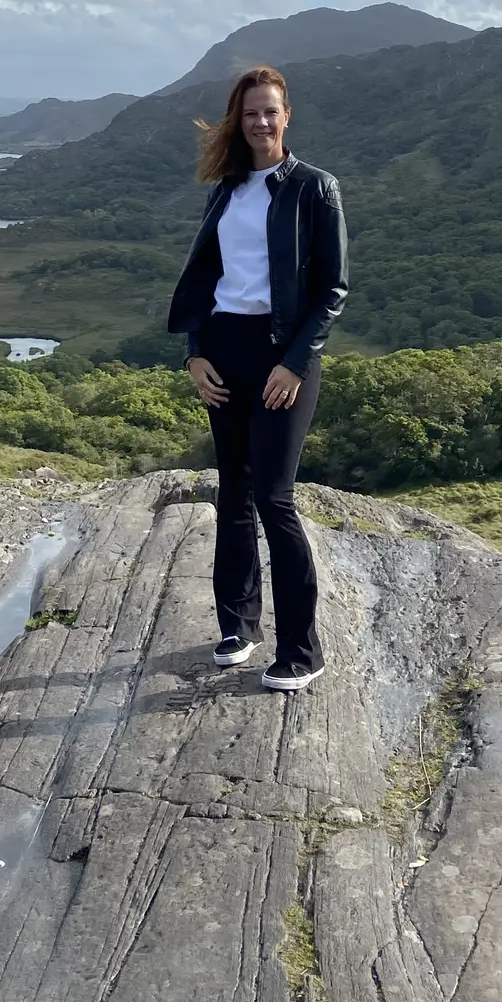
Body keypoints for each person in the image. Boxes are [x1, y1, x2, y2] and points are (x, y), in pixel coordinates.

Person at [165, 65, 348, 691]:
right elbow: (205, 277)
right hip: (224, 347)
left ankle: (302, 648)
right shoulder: (228, 188)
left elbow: (332, 288)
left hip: (283, 352)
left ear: (286, 116)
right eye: (250, 114)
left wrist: (295, 361)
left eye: (270, 111)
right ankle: (237, 625)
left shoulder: (315, 188)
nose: (261, 122)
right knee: (234, 492)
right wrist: (195, 352)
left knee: (274, 496)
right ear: (236, 123)